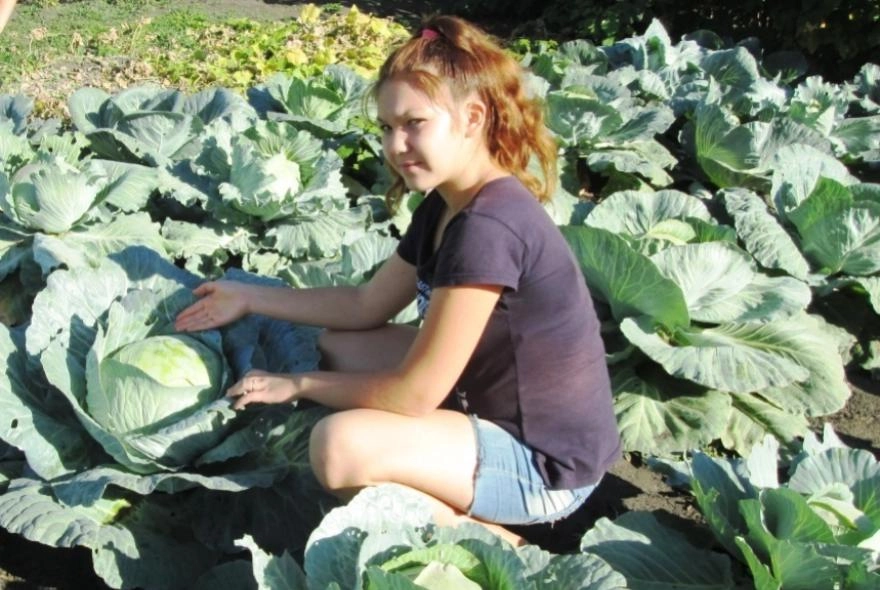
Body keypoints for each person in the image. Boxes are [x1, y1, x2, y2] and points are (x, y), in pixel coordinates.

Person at [175, 14, 620, 545]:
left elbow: (411, 396)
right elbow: (366, 304)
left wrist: (295, 384)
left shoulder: (489, 226)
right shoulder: (447, 203)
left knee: (338, 447)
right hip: (490, 407)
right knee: (341, 346)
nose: (396, 145)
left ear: (473, 118)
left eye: (415, 124)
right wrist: (249, 298)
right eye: (387, 128)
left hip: (544, 464)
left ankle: (499, 545)